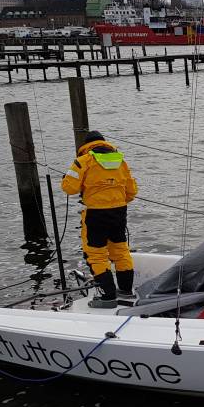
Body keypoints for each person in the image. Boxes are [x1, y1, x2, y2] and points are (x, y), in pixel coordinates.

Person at [61, 131, 138, 308]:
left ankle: (108, 297)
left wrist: (67, 179)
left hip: (96, 214)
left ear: (86, 146)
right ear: (105, 143)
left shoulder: (83, 161)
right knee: (120, 250)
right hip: (119, 212)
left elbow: (69, 188)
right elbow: (132, 191)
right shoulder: (121, 161)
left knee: (96, 255)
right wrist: (116, 201)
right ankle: (126, 290)